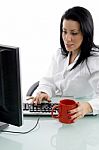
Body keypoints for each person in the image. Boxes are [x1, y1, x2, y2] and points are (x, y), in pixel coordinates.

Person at [28, 6, 99, 122]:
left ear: (86, 33)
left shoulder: (95, 59)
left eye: (74, 33)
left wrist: (88, 106)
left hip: (80, 116)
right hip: (58, 112)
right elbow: (49, 80)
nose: (67, 38)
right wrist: (44, 92)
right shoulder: (60, 54)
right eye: (64, 31)